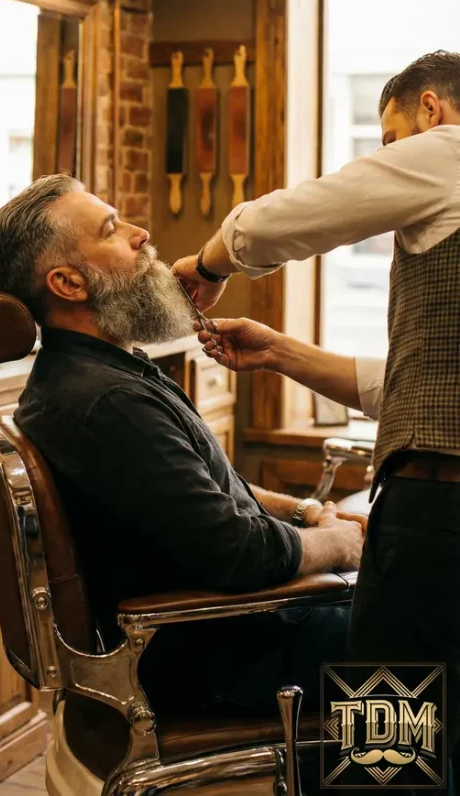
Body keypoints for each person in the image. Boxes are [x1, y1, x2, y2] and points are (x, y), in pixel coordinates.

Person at [0, 173, 364, 716]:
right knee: (425, 639)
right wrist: (341, 546)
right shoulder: (104, 402)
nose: (140, 234)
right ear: (68, 283)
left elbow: (199, 491)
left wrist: (305, 511)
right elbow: (240, 554)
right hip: (228, 659)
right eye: (111, 229)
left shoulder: (99, 374)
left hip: (229, 636)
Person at [173, 50, 460, 769]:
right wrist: (278, 352)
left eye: (391, 143)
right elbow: (423, 384)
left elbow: (284, 219)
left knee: (386, 740)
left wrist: (208, 264)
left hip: (441, 508)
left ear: (431, 109)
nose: (391, 161)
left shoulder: (448, 152)